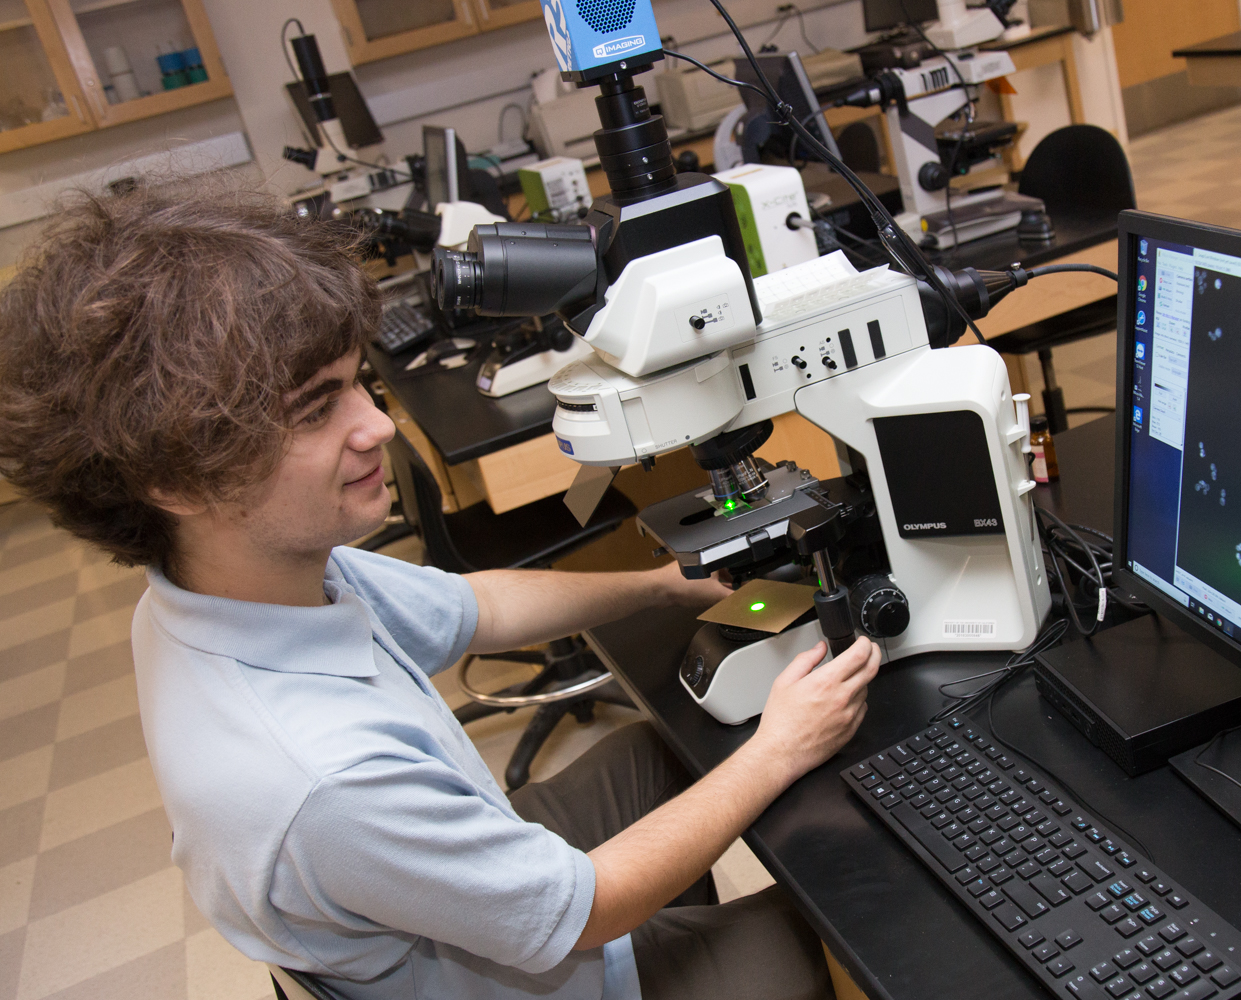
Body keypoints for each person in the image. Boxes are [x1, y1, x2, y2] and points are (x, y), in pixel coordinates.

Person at [0, 188, 881, 1000]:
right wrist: (778, 750)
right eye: (317, 410)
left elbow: (480, 609)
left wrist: (659, 584)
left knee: (668, 757)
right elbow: (591, 909)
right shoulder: (324, 781)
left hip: (458, 881)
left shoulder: (238, 582)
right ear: (177, 481)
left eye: (356, 387)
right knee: (853, 921)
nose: (378, 427)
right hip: (561, 962)